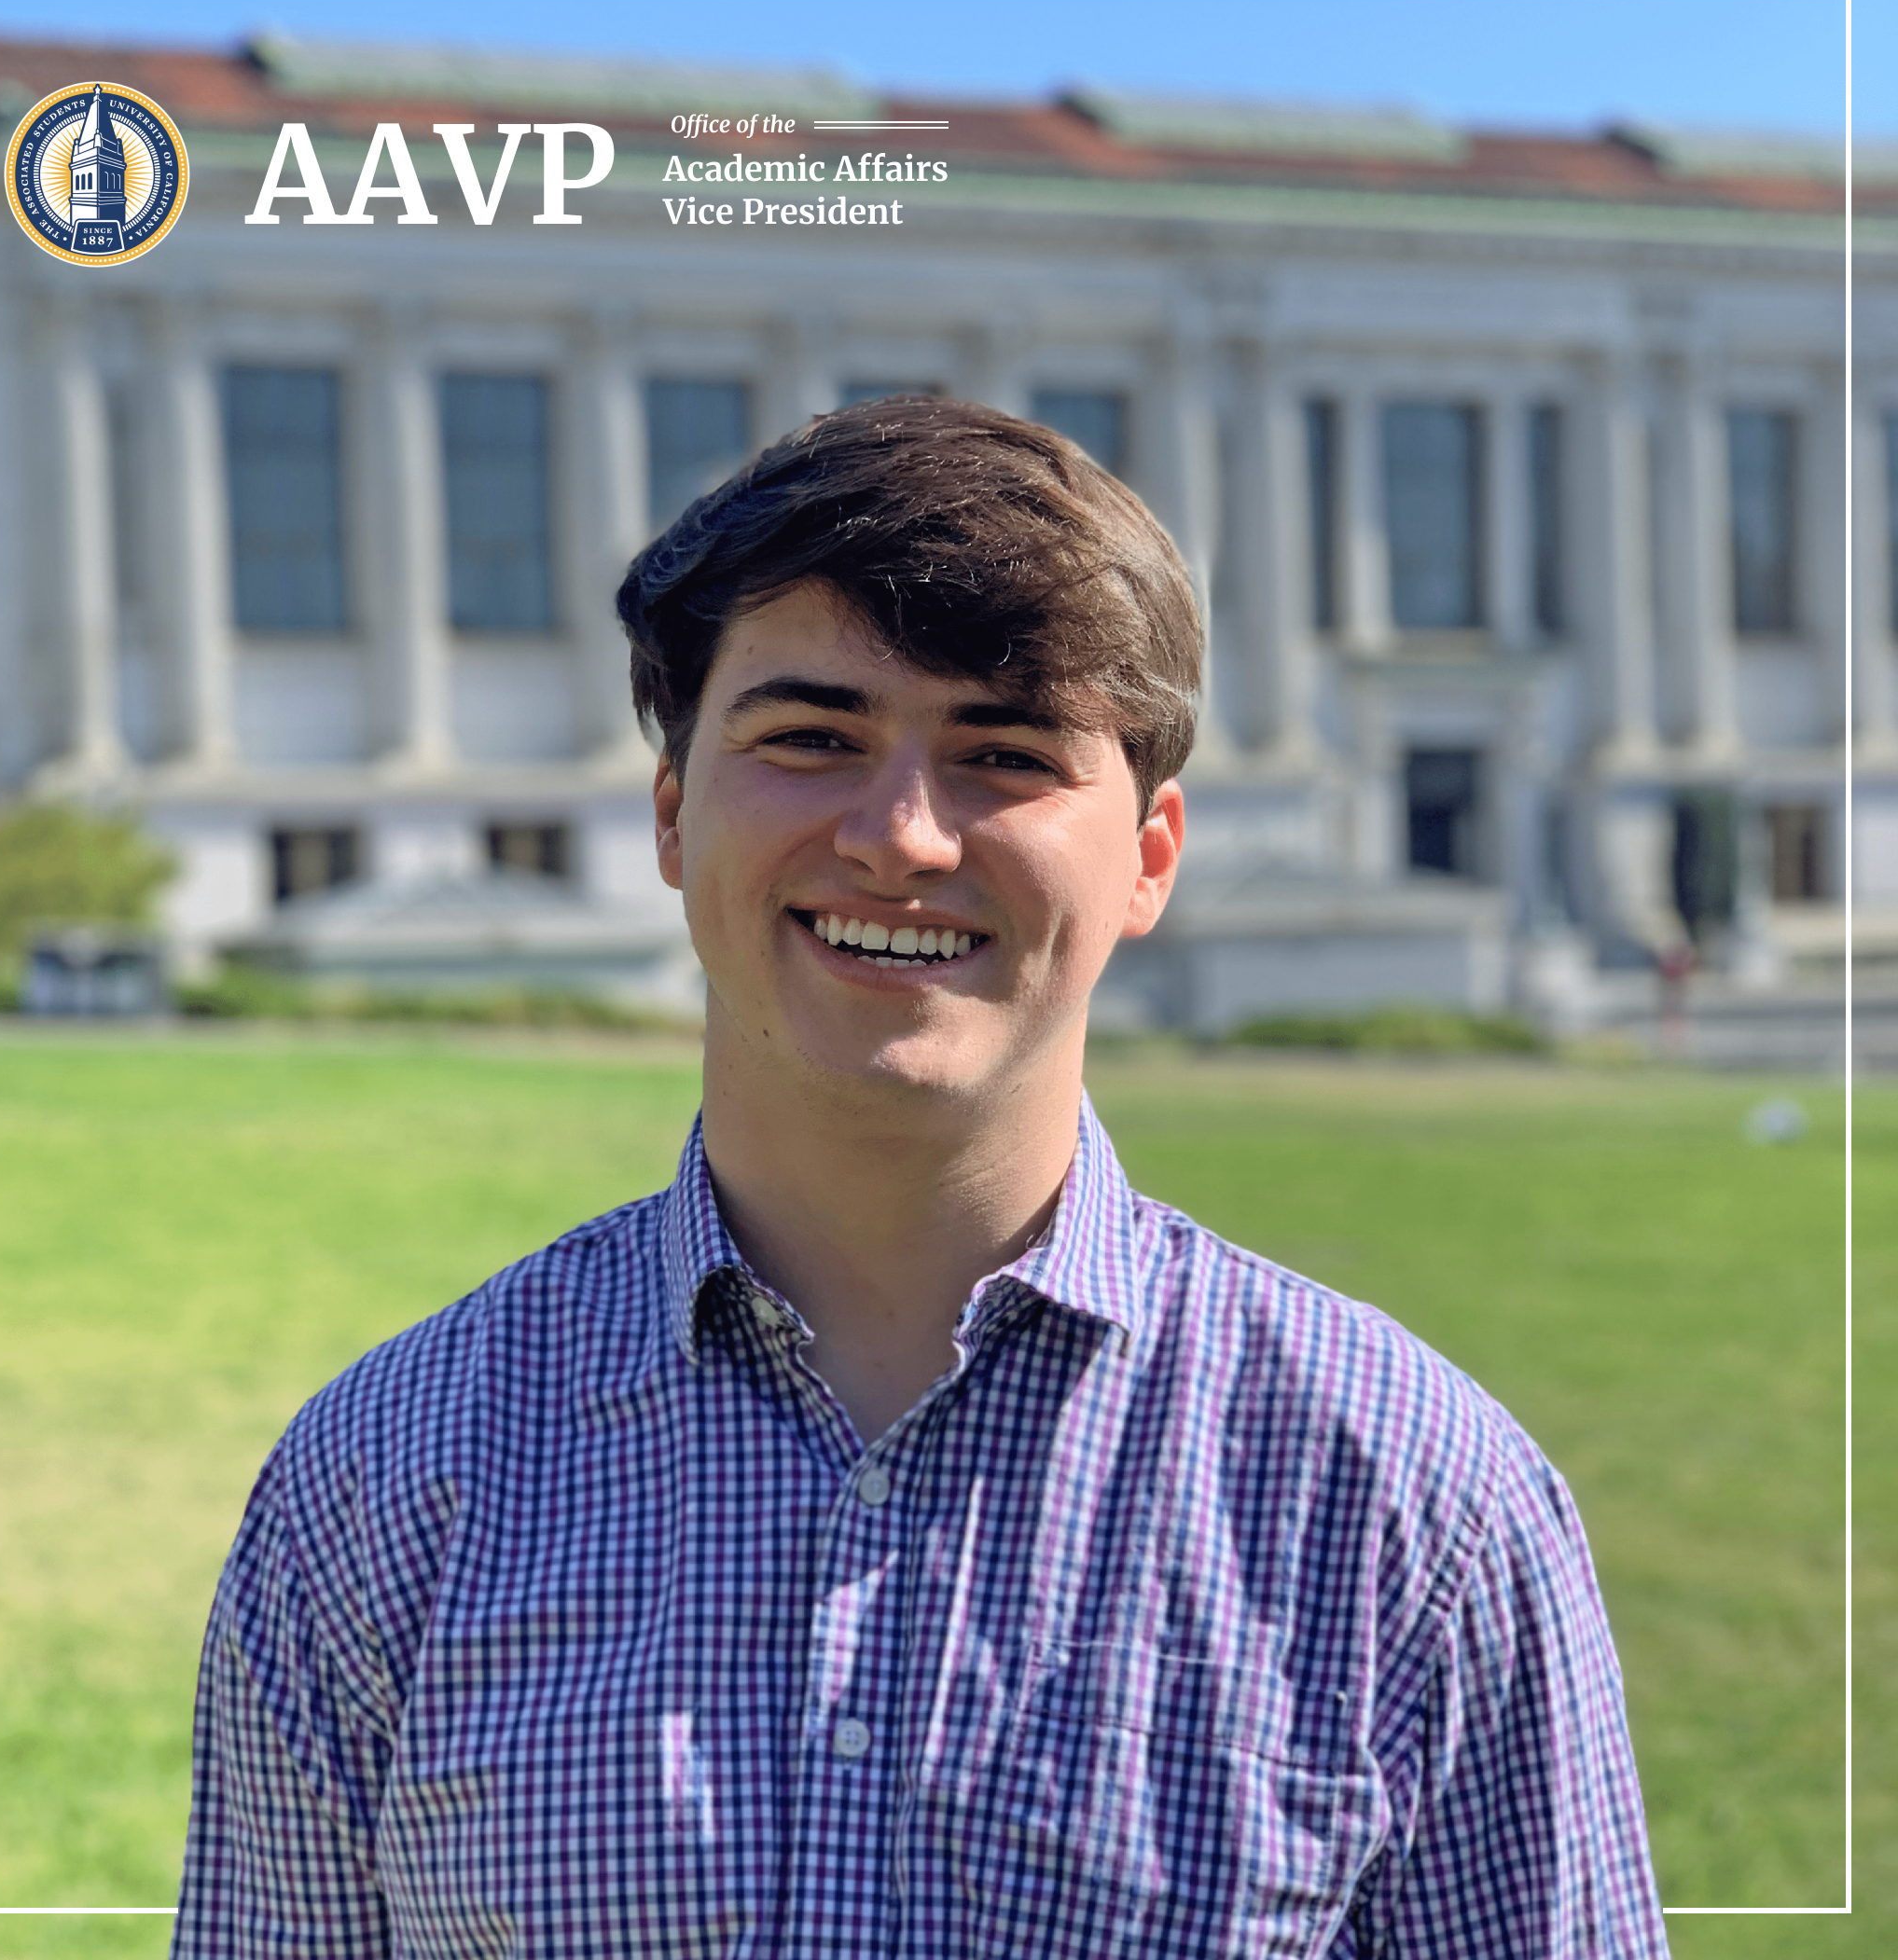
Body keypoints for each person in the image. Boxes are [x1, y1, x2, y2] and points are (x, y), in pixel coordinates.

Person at [171, 396, 1669, 1956]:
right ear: (674, 815)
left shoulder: (1415, 1509)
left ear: (1151, 857)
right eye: (812, 737)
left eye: (1003, 754)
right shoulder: (388, 1482)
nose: (899, 838)